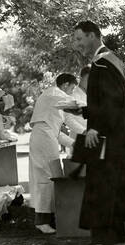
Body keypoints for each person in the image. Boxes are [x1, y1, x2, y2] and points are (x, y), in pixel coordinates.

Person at [73, 20, 125, 245]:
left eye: (79, 39)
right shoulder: (114, 60)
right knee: (116, 183)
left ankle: (102, 238)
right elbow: (117, 102)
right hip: (118, 133)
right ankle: (116, 232)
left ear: (93, 36)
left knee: (101, 185)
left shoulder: (101, 63)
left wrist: (94, 127)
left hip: (106, 135)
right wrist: (85, 111)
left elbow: (110, 102)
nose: (77, 44)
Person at [29, 73, 77, 234]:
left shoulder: (55, 99)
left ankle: (52, 217)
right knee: (46, 177)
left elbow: (60, 129)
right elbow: (75, 107)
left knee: (54, 175)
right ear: (65, 85)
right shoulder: (55, 93)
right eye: (72, 88)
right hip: (43, 136)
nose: (71, 92)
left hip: (46, 135)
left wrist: (76, 142)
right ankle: (41, 221)